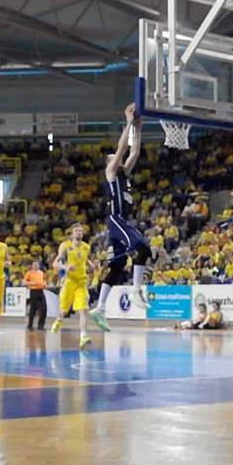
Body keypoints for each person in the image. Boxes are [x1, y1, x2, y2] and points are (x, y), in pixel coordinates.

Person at [90, 103, 152, 332]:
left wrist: (138, 126)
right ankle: (136, 290)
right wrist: (128, 122)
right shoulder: (110, 173)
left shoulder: (124, 174)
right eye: (112, 157)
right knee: (143, 248)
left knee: (117, 265)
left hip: (121, 222)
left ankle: (100, 308)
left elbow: (134, 151)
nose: (115, 158)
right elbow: (123, 148)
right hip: (115, 219)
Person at [50, 223, 97, 349]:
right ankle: (59, 320)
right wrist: (65, 267)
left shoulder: (86, 247)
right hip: (69, 281)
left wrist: (91, 265)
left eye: (81, 231)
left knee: (83, 310)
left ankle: (83, 336)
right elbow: (55, 264)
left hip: (82, 282)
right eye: (76, 231)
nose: (79, 233)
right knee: (64, 310)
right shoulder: (65, 246)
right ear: (72, 233)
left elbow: (85, 259)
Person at [23, 261, 47, 331]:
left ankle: (40, 325)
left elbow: (43, 280)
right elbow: (24, 282)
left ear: (39, 266)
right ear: (32, 266)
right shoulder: (29, 273)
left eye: (37, 265)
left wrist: (45, 284)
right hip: (33, 292)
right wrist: (31, 283)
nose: (36, 266)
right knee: (33, 309)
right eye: (34, 265)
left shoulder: (41, 273)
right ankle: (30, 325)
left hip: (40, 291)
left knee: (44, 309)